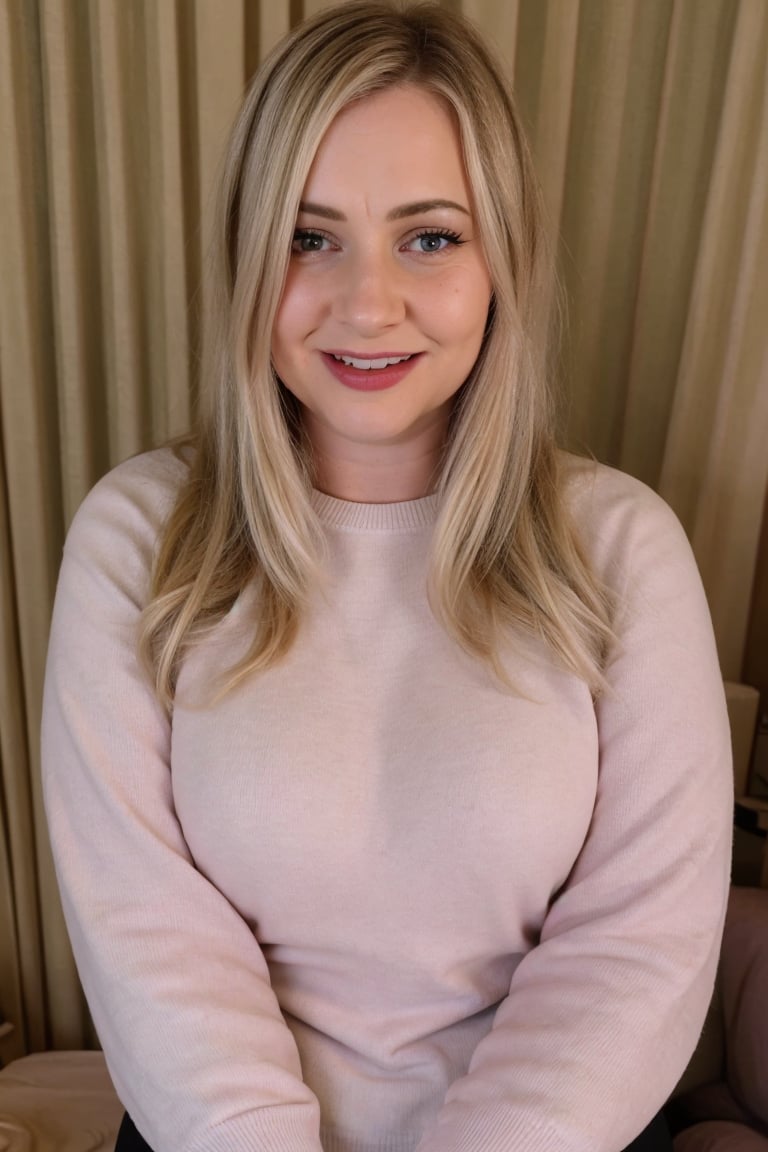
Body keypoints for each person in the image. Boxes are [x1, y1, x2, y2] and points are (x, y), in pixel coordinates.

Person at [41, 4, 733, 1152]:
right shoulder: (138, 537)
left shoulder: (624, 549)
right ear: (248, 255)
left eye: (430, 238)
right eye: (311, 238)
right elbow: (146, 932)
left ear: (502, 258)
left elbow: (636, 947)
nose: (367, 305)